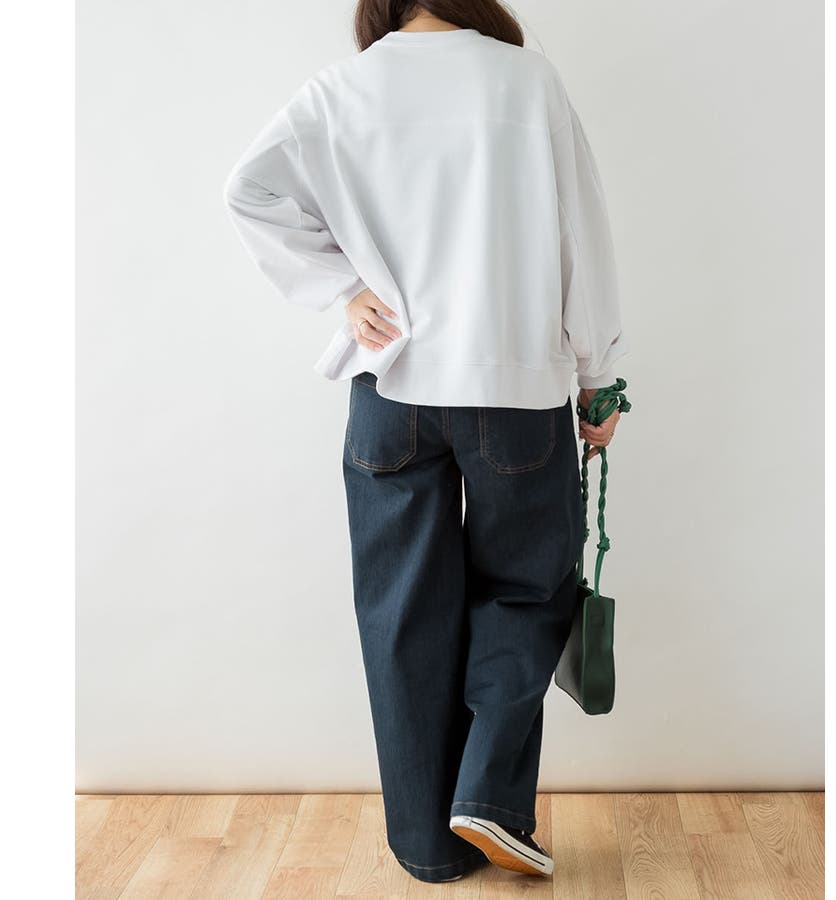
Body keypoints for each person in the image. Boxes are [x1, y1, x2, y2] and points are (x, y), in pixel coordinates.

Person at [223, 0, 627, 884]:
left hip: (391, 387)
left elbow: (249, 190)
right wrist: (599, 375)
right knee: (528, 588)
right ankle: (487, 797)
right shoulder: (526, 81)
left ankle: (427, 846)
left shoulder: (342, 89)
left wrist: (342, 289)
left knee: (402, 612)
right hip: (512, 384)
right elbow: (581, 236)